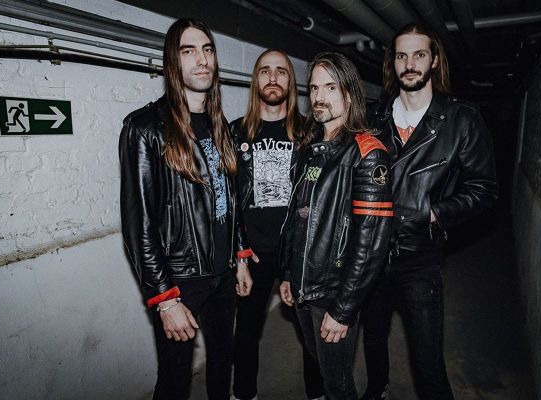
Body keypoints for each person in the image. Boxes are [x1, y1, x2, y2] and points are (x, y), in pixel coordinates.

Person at [360, 23, 498, 400]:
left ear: (434, 60)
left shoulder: (461, 119)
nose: (410, 64)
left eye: (419, 54)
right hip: (371, 252)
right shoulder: (372, 118)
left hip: (420, 256)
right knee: (373, 335)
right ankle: (377, 388)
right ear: (393, 63)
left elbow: (484, 188)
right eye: (401, 56)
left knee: (427, 363)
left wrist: (432, 212)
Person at [119, 18, 253, 400]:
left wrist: (239, 255)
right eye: (188, 51)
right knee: (175, 380)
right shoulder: (146, 128)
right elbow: (139, 225)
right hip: (180, 280)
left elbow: (229, 199)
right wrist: (165, 298)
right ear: (172, 63)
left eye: (207, 50)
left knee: (222, 362)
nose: (202, 59)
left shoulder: (219, 125)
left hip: (223, 274)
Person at [279, 52, 394, 400]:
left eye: (330, 87)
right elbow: (297, 217)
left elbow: (371, 244)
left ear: (349, 94)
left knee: (338, 384)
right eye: (314, 88)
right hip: (304, 286)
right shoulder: (309, 147)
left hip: (333, 292)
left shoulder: (368, 153)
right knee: (322, 367)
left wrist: (343, 309)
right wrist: (288, 274)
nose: (319, 96)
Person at [229, 49, 324, 400]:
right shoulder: (235, 132)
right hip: (252, 254)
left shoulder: (311, 133)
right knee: (246, 332)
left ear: (291, 81)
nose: (272, 78)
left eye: (281, 71)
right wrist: (239, 252)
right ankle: (244, 394)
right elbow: (229, 199)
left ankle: (318, 393)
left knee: (310, 333)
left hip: (298, 252)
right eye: (265, 71)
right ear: (255, 80)